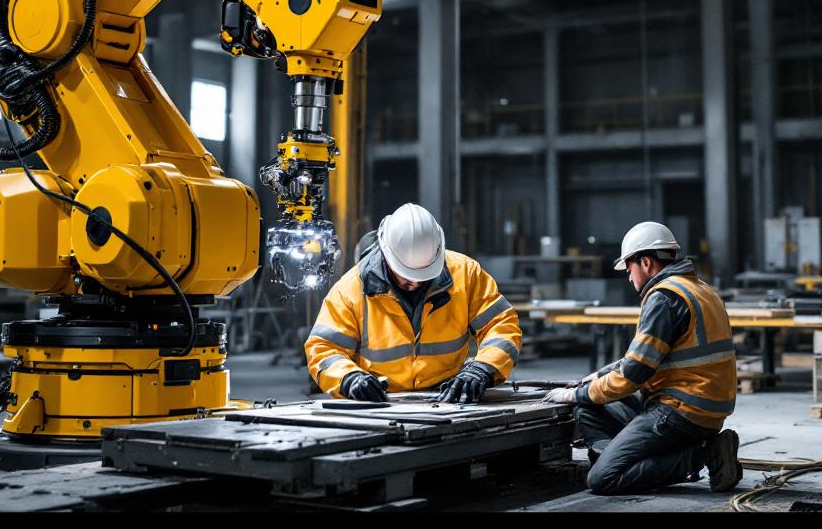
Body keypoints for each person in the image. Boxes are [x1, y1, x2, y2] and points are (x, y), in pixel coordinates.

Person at [543, 221, 742, 494]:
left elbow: (634, 374)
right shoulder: (702, 289)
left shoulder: (663, 298)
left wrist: (575, 394)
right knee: (589, 409)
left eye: (629, 268)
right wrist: (598, 376)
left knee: (602, 478)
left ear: (646, 263)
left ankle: (703, 455)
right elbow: (653, 356)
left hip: (679, 412)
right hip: (706, 410)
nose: (628, 277)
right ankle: (631, 458)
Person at [305, 203, 522, 404]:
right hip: (380, 405)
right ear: (386, 256)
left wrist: (483, 368)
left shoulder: (466, 275)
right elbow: (324, 348)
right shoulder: (351, 290)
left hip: (448, 398)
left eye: (423, 273)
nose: (415, 281)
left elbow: (501, 326)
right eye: (406, 274)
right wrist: (348, 378)